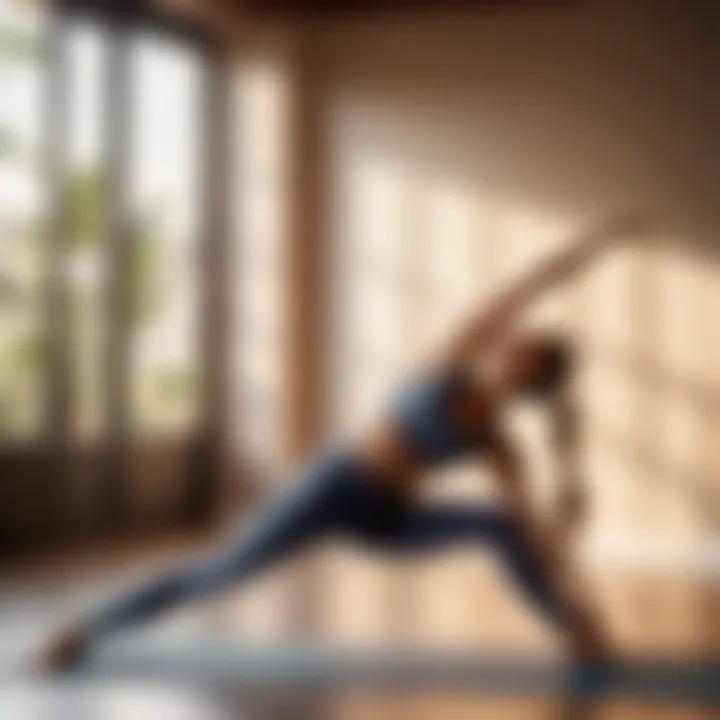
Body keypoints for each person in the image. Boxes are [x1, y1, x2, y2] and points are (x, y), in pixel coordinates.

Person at [39, 210, 649, 673]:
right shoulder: (452, 359)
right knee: (218, 572)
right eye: (518, 341)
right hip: (334, 486)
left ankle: (573, 634)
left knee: (499, 526)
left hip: (386, 516)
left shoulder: (495, 440)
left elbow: (532, 528)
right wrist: (594, 245)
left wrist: (579, 604)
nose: (512, 346)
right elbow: (526, 286)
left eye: (526, 354)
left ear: (530, 378)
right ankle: (87, 629)